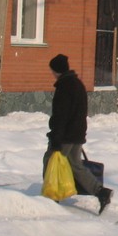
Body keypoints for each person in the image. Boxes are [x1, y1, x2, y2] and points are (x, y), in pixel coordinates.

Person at [43, 54, 112, 214]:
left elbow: (61, 115)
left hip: (66, 135)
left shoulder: (64, 87)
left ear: (57, 70)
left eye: (52, 70)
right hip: (77, 133)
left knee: (50, 160)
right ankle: (101, 192)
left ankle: (51, 196)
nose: (52, 73)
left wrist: (56, 137)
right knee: (75, 165)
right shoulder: (77, 84)